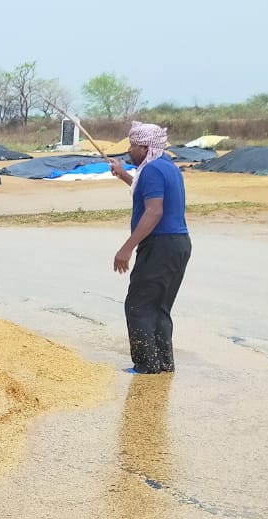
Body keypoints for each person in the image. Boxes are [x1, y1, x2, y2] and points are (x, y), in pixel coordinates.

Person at [108, 122, 192, 374]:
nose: (129, 150)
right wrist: (123, 174)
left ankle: (145, 365)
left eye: (133, 146)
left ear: (145, 148)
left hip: (160, 245)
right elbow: (145, 190)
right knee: (159, 307)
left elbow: (154, 211)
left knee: (139, 305)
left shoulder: (153, 170)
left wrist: (127, 248)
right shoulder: (167, 167)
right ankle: (163, 364)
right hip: (178, 244)